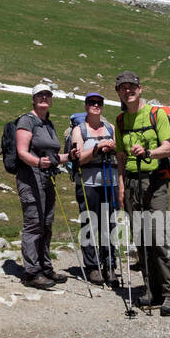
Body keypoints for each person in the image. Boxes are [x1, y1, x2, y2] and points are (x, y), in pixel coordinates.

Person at [112, 71, 170, 316]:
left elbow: (168, 146)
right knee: (141, 239)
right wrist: (121, 185)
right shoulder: (120, 121)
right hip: (131, 182)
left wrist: (148, 153)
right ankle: (152, 290)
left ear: (140, 89)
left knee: (159, 236)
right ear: (118, 92)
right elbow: (120, 155)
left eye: (131, 87)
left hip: (154, 182)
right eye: (123, 88)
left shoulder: (156, 114)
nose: (127, 91)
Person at [14, 80, 71, 288]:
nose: (44, 97)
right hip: (30, 179)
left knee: (46, 224)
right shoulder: (26, 121)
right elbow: (22, 152)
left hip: (47, 178)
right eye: (40, 95)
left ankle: (45, 267)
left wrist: (69, 156)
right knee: (34, 224)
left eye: (48, 95)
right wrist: (38, 162)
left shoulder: (48, 124)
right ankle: (31, 273)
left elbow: (53, 156)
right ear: (33, 99)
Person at [70, 92, 118, 285]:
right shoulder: (79, 130)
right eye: (92, 103)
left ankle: (110, 265)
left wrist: (111, 148)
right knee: (90, 224)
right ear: (86, 106)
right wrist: (98, 148)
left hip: (111, 182)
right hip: (88, 183)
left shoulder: (110, 127)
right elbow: (79, 158)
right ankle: (92, 267)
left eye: (99, 103)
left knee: (110, 224)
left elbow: (119, 150)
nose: (96, 105)